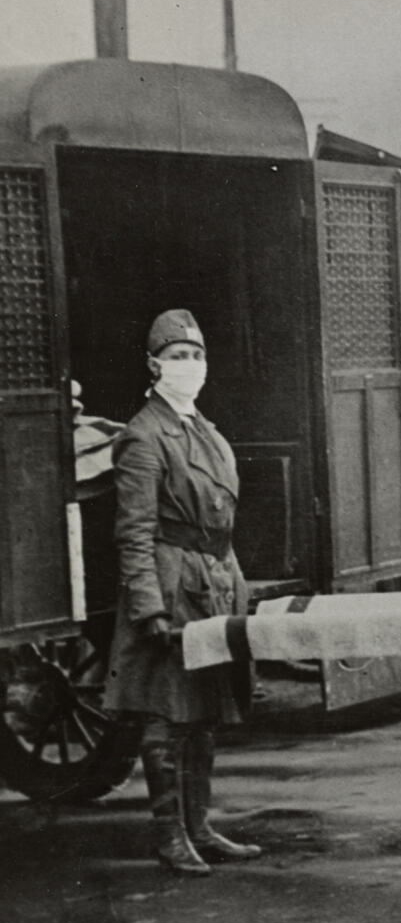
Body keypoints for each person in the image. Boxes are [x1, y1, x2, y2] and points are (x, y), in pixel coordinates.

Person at [104, 309, 260, 875]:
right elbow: (134, 532)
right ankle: (170, 836)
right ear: (154, 365)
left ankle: (200, 827)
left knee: (205, 713)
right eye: (176, 357)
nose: (188, 366)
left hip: (212, 581)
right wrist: (148, 607)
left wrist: (235, 590)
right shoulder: (144, 436)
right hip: (171, 585)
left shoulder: (207, 432)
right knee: (166, 716)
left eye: (195, 356)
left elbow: (222, 522)